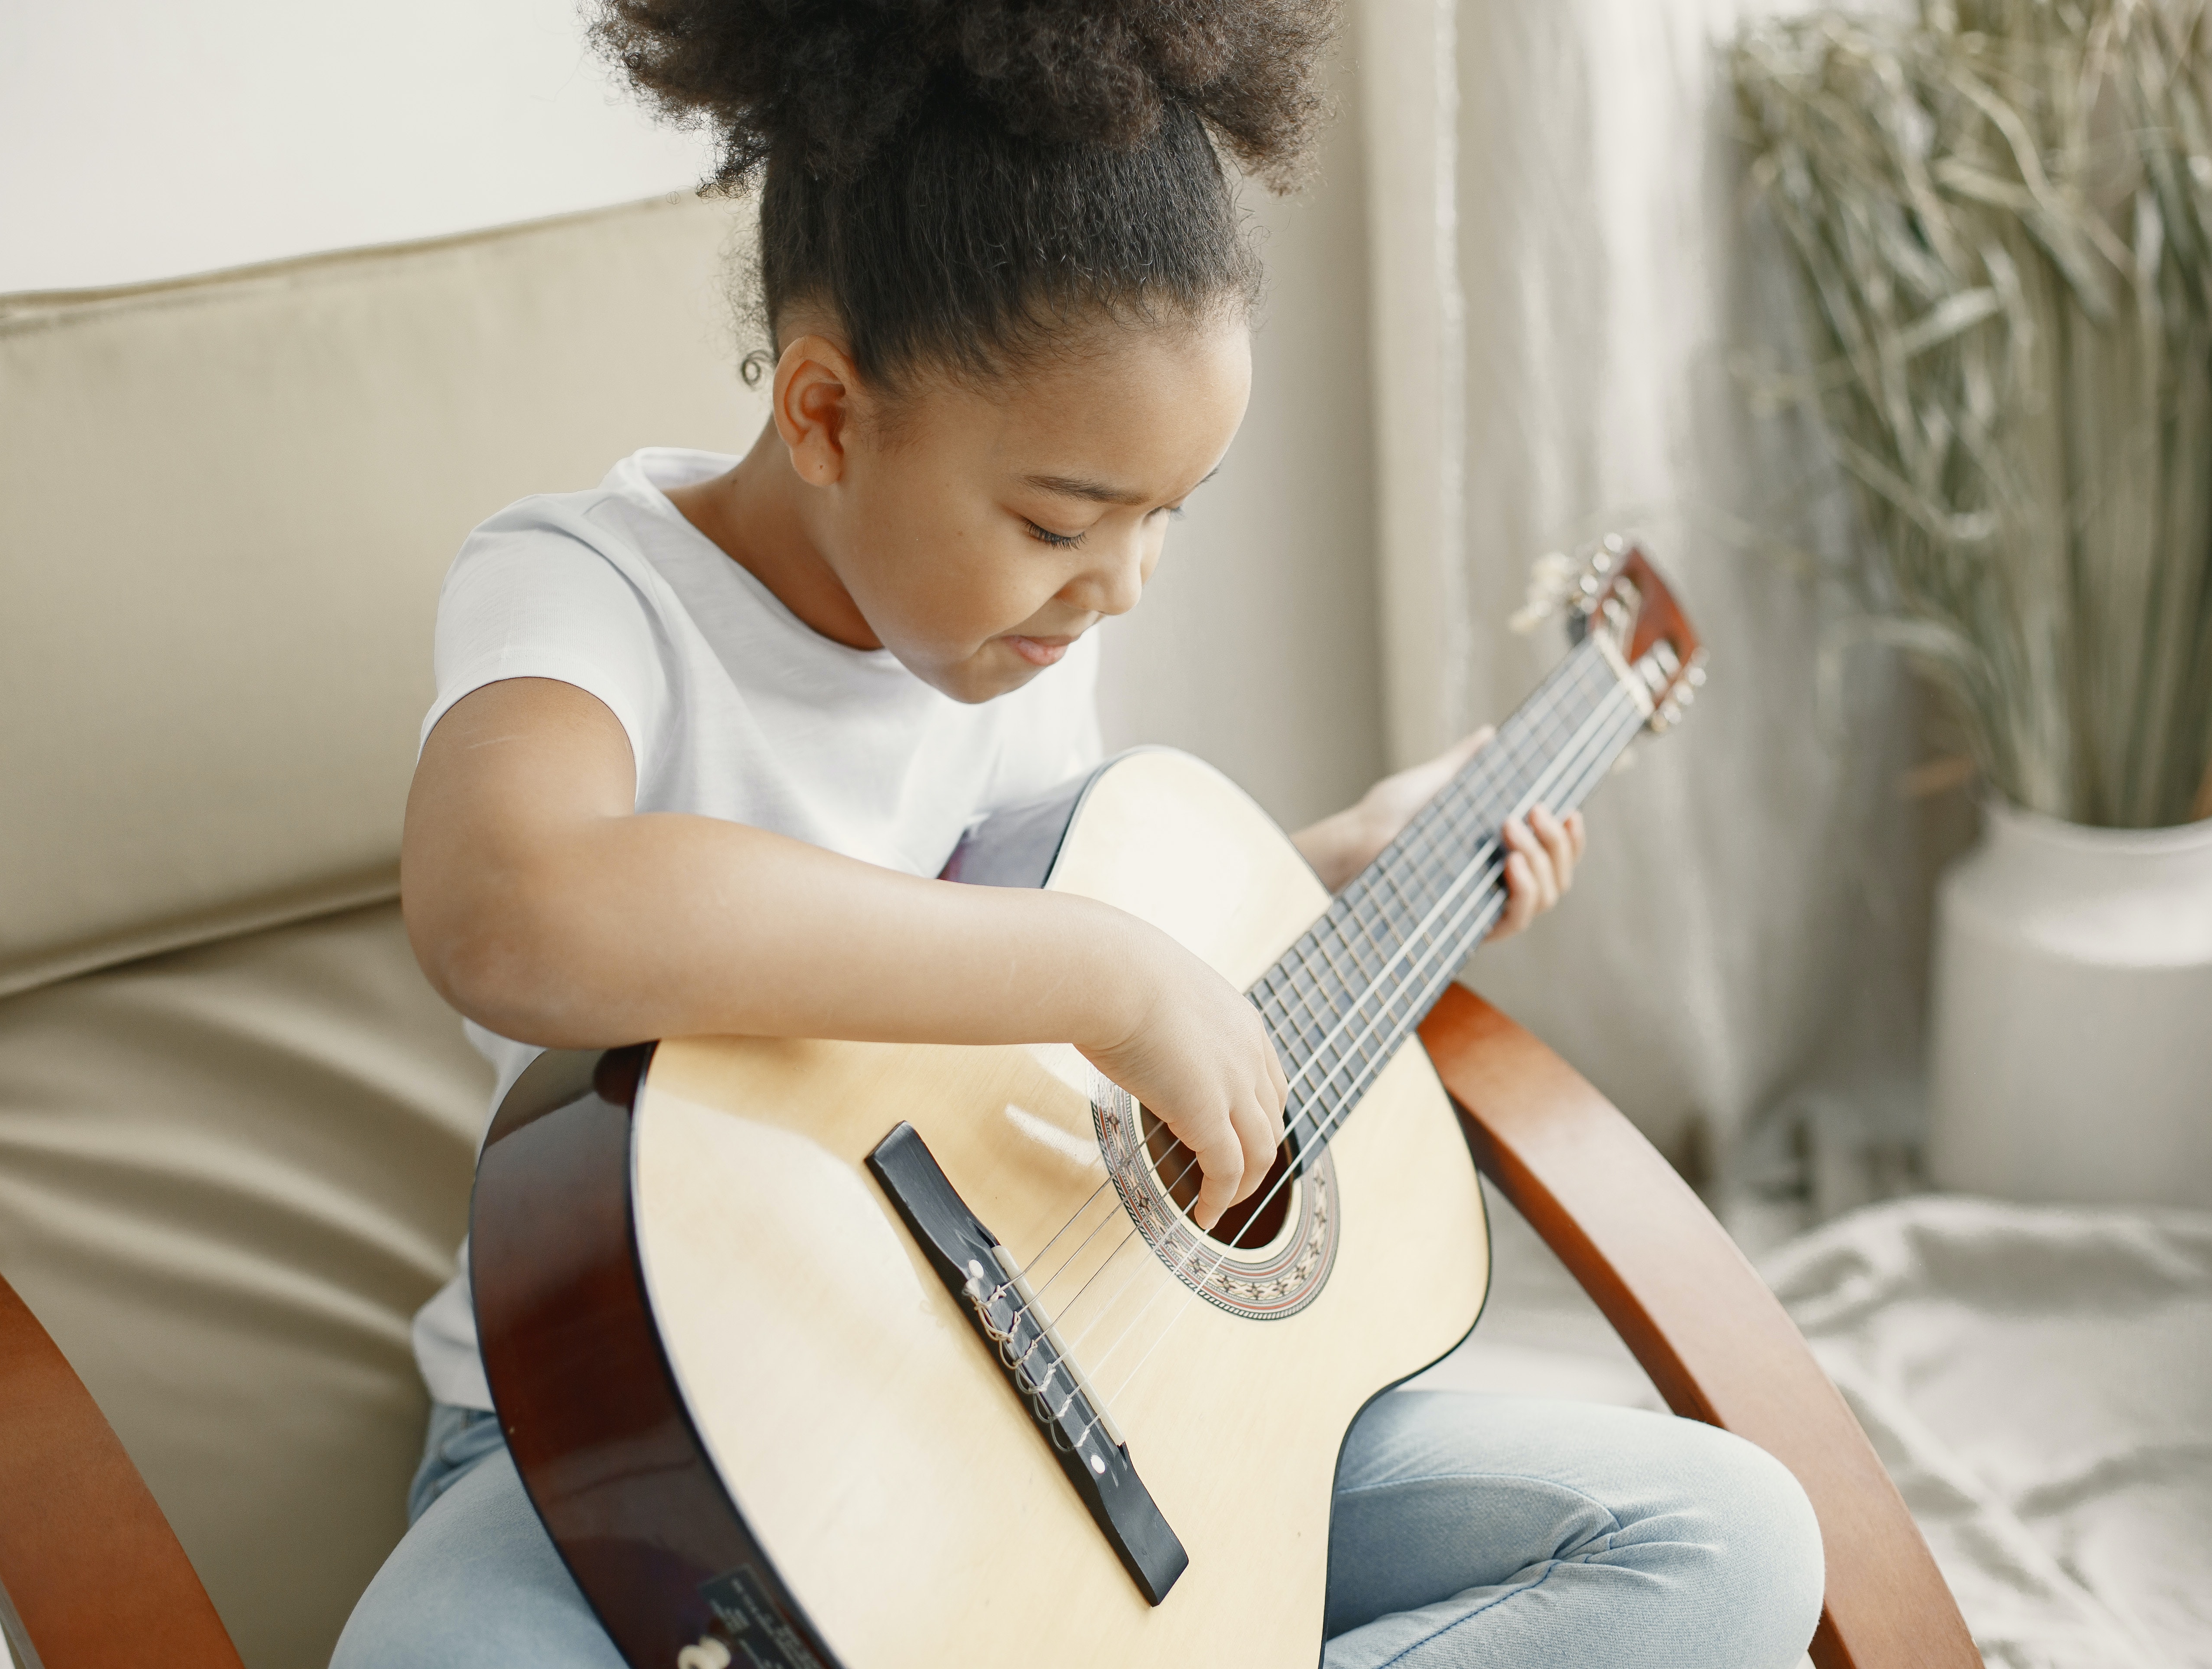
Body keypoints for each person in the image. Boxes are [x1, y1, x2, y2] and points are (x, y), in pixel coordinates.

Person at [334, 3, 1824, 1665]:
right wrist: (1102, 973)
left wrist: (1337, 869)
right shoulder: (589, 589)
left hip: (1067, 1399)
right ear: (826, 416)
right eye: (1061, 521)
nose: (1117, 586)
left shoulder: (1021, 638)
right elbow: (513, 905)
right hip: (623, 1432)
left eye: (1165, 515)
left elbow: (1054, 1000)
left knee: (1729, 1537)